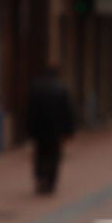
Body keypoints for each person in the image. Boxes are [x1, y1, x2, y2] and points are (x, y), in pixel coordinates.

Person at [25, 65, 76, 196]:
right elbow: (67, 112)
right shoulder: (61, 89)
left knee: (40, 154)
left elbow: (31, 111)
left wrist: (30, 129)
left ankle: (40, 177)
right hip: (55, 130)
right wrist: (69, 131)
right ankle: (50, 181)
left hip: (40, 130)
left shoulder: (37, 89)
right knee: (54, 156)